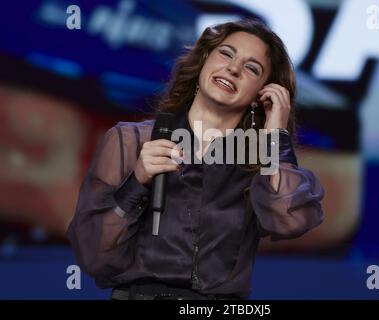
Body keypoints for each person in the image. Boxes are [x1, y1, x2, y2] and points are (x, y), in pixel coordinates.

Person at [66, 19, 324, 300]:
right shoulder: (131, 141)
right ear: (203, 62)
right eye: (226, 53)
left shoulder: (260, 163)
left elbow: (290, 221)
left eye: (252, 68)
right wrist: (137, 182)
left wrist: (275, 135)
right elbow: (93, 256)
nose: (234, 68)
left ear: (261, 93)